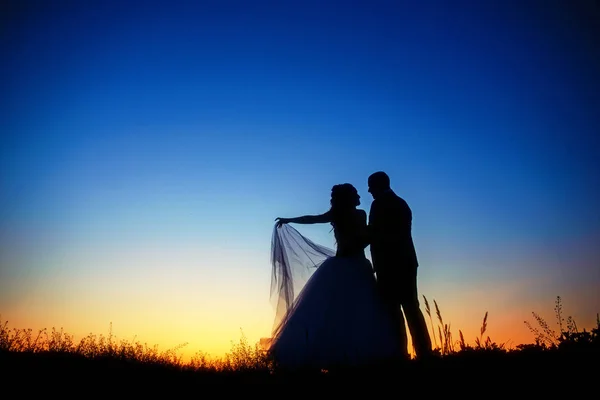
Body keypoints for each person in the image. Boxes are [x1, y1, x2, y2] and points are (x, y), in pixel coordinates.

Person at [269, 183, 405, 371]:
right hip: (352, 265)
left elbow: (315, 219)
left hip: (351, 265)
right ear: (349, 197)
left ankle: (351, 357)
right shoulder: (355, 214)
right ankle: (348, 358)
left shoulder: (352, 214)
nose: (359, 195)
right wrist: (290, 219)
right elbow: (313, 219)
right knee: (348, 311)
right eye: (355, 193)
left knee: (350, 310)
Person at [367, 171, 433, 359]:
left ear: (378, 185)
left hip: (389, 264)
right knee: (411, 307)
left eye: (370, 186)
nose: (369, 190)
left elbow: (375, 234)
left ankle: (400, 354)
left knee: (393, 310)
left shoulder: (378, 204)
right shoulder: (401, 203)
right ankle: (424, 352)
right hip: (407, 261)